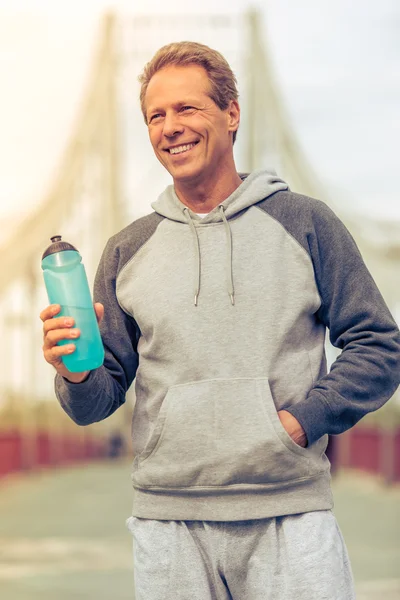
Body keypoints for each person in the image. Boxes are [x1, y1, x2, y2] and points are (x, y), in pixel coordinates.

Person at [40, 41, 400, 599]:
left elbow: (379, 347)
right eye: (155, 115)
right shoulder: (126, 249)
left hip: (290, 513)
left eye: (187, 108)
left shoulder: (306, 224)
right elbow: (96, 403)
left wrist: (300, 422)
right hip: (169, 523)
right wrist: (76, 372)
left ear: (232, 114)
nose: (170, 127)